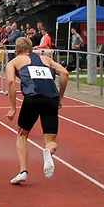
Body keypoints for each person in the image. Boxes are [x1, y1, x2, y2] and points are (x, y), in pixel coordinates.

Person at [6, 37, 69, 185]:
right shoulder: (46, 59)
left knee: (22, 134)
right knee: (51, 141)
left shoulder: (14, 62)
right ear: (32, 49)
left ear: (17, 51)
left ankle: (23, 171)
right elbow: (65, 74)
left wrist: (13, 108)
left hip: (33, 98)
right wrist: (60, 97)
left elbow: (10, 82)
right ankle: (48, 151)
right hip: (51, 99)